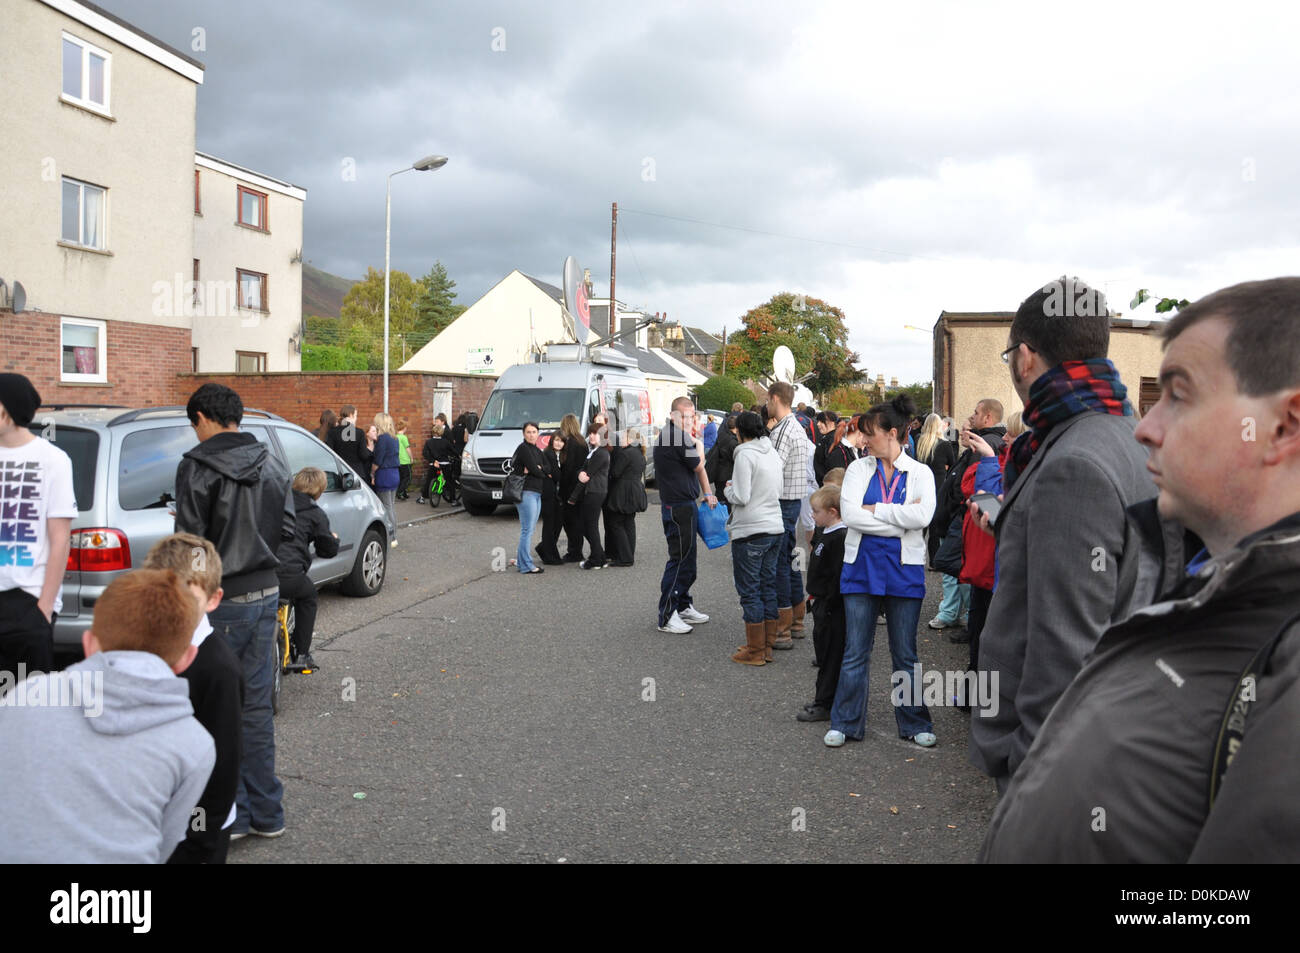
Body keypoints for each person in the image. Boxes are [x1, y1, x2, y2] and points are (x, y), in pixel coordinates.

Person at [980, 276, 1300, 861]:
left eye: (1179, 394)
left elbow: (1063, 648)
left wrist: (1032, 772)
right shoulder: (1233, 585)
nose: (1147, 427)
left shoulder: (1074, 460)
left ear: (1283, 426)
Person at [969, 277, 1157, 794]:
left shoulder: (1072, 461)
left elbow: (1065, 652)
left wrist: (1036, 786)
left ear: (1025, 358)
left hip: (1060, 767)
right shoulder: (1126, 434)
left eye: (1010, 355)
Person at [0, 570, 213, 863]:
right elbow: (164, 844)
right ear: (188, 657)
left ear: (88, 644)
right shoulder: (196, 744)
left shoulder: (23, 695)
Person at [174, 382, 293, 840]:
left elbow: (191, 547)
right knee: (256, 707)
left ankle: (236, 817)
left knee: (217, 711)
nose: (194, 433)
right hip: (265, 594)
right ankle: (267, 813)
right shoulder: (272, 460)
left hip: (219, 602)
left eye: (193, 425)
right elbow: (285, 526)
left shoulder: (196, 467)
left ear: (203, 418)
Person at [824, 393, 937, 749]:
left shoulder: (921, 473)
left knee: (905, 653)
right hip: (861, 569)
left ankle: (914, 721)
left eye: (870, 432)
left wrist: (877, 510)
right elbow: (852, 515)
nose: (864, 438)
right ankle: (844, 722)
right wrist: (899, 516)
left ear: (891, 433)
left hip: (904, 571)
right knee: (856, 650)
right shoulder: (858, 468)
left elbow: (923, 518)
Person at [143, 534, 243, 864]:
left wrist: (200, 840)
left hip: (198, 830)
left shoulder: (218, 669)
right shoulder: (149, 646)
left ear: (213, 599)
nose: (173, 605)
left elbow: (223, 766)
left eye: (187, 594)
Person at [0, 374, 75, 681]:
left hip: (28, 600)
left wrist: (44, 608)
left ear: (7, 410)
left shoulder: (53, 460)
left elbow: (60, 539)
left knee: (28, 707)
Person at [928, 400, 1005, 635]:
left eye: (976, 412)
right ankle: (962, 616)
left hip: (968, 521)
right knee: (964, 573)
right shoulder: (983, 443)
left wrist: (957, 510)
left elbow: (973, 489)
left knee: (963, 570)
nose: (971, 419)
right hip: (963, 519)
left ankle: (964, 617)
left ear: (988, 417)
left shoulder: (986, 445)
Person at [653, 397, 718, 634]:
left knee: (688, 560)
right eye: (685, 415)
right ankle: (667, 615)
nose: (690, 420)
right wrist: (699, 444)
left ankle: (683, 605)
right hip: (677, 506)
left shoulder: (678, 436)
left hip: (684, 504)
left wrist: (708, 492)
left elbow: (697, 468)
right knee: (680, 560)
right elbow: (698, 464)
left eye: (692, 415)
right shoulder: (675, 436)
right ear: (673, 415)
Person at [724, 411, 784, 664]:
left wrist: (728, 490)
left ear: (739, 431)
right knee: (767, 586)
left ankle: (755, 651)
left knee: (750, 591)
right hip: (775, 526)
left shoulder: (745, 455)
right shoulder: (772, 453)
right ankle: (767, 646)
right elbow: (778, 489)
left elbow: (742, 495)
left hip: (750, 529)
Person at [274, 468, 339, 671]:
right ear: (319, 490)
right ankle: (302, 654)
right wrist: (333, 540)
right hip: (290, 576)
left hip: (261, 572)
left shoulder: (274, 502)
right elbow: (327, 551)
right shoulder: (315, 514)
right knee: (308, 596)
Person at [766, 382, 812, 648]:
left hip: (783, 502)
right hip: (793, 501)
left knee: (780, 564)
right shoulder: (797, 427)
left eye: (768, 400)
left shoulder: (783, 429)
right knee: (790, 561)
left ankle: (782, 628)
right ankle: (796, 620)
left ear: (775, 398)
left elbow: (773, 469)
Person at [798, 485, 848, 720]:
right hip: (819, 603)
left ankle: (825, 703)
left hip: (830, 607)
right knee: (823, 654)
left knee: (830, 657)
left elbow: (836, 576)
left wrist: (827, 603)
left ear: (833, 512)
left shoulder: (839, 537)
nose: (812, 516)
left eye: (816, 512)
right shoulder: (824, 532)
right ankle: (822, 698)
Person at [509, 422, 551, 574]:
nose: (531, 434)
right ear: (523, 434)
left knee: (529, 529)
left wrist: (540, 469)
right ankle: (527, 566)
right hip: (526, 492)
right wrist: (538, 470)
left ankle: (522, 562)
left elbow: (548, 468)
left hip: (536, 493)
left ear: (538, 433)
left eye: (534, 432)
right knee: (527, 530)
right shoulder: (524, 449)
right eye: (528, 432)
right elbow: (538, 471)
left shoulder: (537, 450)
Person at [568, 422, 611, 570]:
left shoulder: (601, 453)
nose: (591, 436)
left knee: (589, 526)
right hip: (592, 491)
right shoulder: (594, 451)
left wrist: (573, 497)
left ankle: (595, 559)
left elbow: (586, 475)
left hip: (595, 492)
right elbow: (581, 471)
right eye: (591, 433)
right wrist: (579, 473)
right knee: (587, 525)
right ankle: (600, 557)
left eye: (595, 433)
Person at [604, 429, 647, 567]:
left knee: (616, 523)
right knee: (629, 522)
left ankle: (625, 557)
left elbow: (615, 473)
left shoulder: (625, 454)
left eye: (623, 437)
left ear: (631, 440)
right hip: (635, 489)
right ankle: (629, 555)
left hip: (624, 490)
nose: (621, 439)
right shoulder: (639, 453)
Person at [557, 414, 587, 562]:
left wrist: (561, 488)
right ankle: (576, 550)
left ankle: (574, 552)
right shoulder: (582, 442)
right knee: (577, 520)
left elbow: (568, 469)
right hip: (581, 488)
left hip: (570, 489)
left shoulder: (570, 444)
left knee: (570, 522)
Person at [535, 431, 565, 566]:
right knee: (550, 524)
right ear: (552, 440)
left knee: (556, 523)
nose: (559, 443)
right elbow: (557, 475)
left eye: (562, 441)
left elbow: (555, 475)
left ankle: (544, 548)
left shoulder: (559, 455)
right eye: (557, 440)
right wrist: (553, 474)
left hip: (555, 494)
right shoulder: (549, 454)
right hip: (547, 494)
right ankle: (550, 555)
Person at [328, 405, 371, 483]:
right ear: (351, 415)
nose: (356, 418)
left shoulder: (332, 432)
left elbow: (330, 453)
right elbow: (364, 455)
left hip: (339, 472)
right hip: (356, 473)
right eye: (356, 416)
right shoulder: (359, 432)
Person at [814, 414, 861, 485]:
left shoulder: (835, 441)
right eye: (818, 421)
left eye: (821, 421)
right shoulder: (837, 447)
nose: (818, 424)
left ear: (832, 422)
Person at [418, 421, 453, 507]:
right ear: (442, 432)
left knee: (429, 480)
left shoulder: (428, 442)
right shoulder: (445, 442)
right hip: (444, 464)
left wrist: (433, 461)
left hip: (433, 464)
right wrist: (457, 456)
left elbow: (425, 453)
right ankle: (454, 500)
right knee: (449, 481)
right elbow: (452, 451)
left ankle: (422, 497)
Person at [704, 413, 738, 492]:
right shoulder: (732, 441)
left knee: (719, 494)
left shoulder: (722, 434)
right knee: (723, 497)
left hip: (718, 472)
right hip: (726, 475)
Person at [395, 419, 413, 501]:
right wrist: (411, 458)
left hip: (398, 461)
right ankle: (400, 492)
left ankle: (403, 493)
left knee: (401, 478)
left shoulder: (395, 437)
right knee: (408, 478)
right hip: (405, 461)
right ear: (404, 428)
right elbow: (408, 449)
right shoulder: (403, 437)